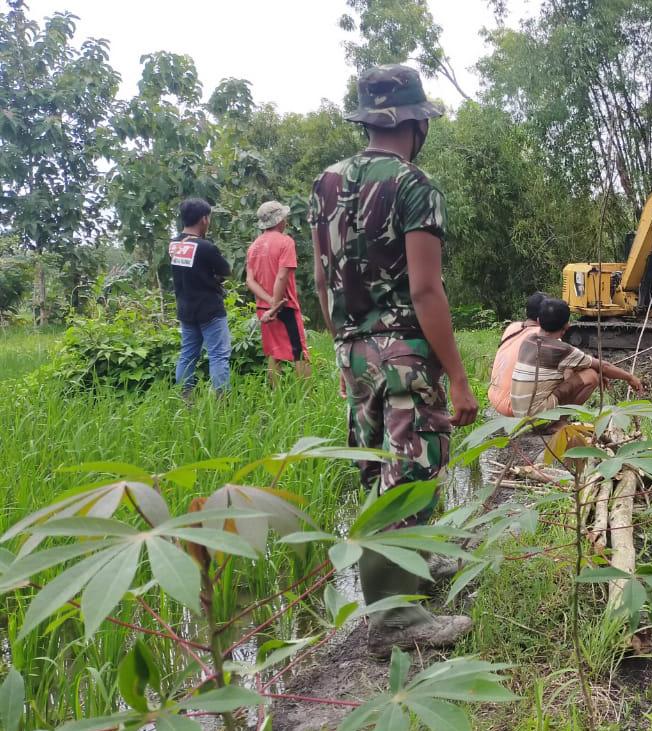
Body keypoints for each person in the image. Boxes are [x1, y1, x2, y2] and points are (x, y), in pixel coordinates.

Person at [309, 64, 479, 658]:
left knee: (379, 467)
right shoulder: (414, 185)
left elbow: (320, 278)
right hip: (404, 349)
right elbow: (426, 289)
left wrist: (343, 351)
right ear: (413, 122)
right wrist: (458, 377)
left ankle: (405, 575)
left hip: (354, 349)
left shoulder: (326, 182)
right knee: (410, 472)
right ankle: (394, 620)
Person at [509, 298, 644, 418]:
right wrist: (630, 377)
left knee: (574, 370)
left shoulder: (527, 340)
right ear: (567, 326)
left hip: (518, 415)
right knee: (591, 375)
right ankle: (557, 422)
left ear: (538, 321)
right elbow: (604, 366)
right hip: (536, 416)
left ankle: (553, 419)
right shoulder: (562, 350)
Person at [170, 198, 232, 396]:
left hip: (186, 309)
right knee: (218, 355)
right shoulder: (206, 247)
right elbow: (225, 270)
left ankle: (186, 401)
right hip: (210, 309)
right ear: (204, 219)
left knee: (187, 355)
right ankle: (223, 403)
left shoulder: (173, 245)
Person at [246, 201, 312, 382]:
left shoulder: (253, 247)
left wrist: (268, 304)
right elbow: (282, 277)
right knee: (299, 352)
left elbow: (250, 281)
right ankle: (306, 398)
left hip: (263, 309)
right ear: (279, 220)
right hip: (285, 306)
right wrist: (275, 304)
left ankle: (276, 396)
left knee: (274, 353)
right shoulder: (285, 242)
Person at [488, 292, 548, 417]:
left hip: (495, 399)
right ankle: (554, 421)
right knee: (585, 377)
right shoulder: (542, 335)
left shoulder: (513, 327)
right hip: (513, 407)